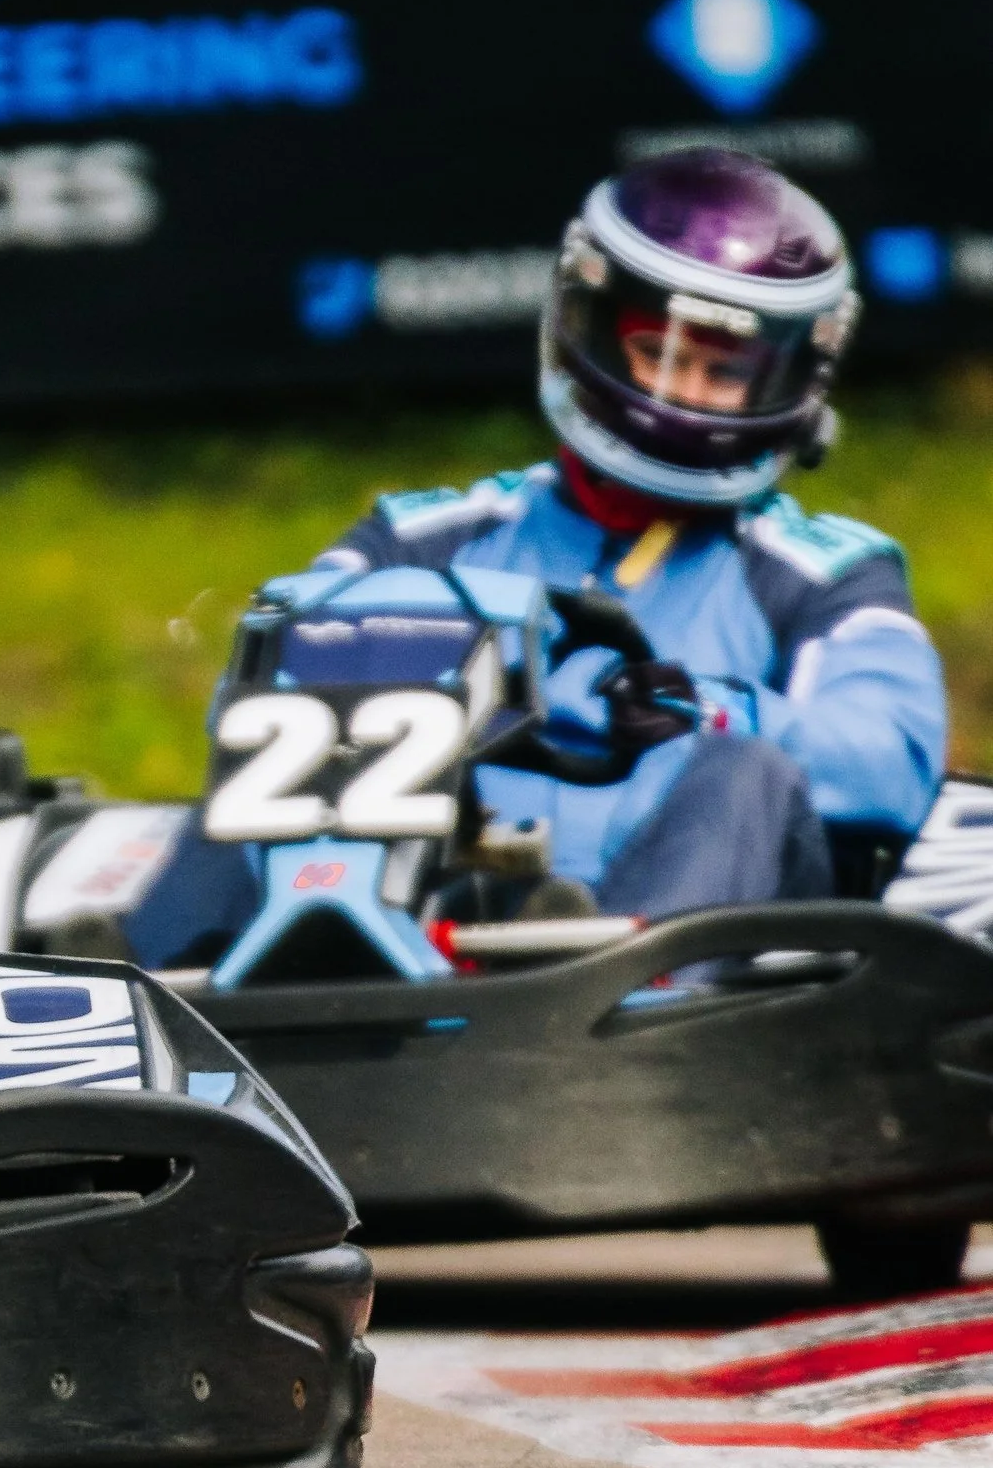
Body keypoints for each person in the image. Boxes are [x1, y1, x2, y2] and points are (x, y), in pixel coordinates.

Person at [132, 145, 945, 961]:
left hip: (685, 977)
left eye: (720, 369)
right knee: (268, 769)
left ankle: (624, 997)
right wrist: (439, 695)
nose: (679, 391)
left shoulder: (828, 572)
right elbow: (252, 705)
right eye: (652, 350)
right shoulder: (423, 537)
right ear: (585, 320)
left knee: (747, 772)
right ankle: (153, 1000)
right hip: (424, 932)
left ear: (792, 377)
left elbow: (890, 761)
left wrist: (710, 707)